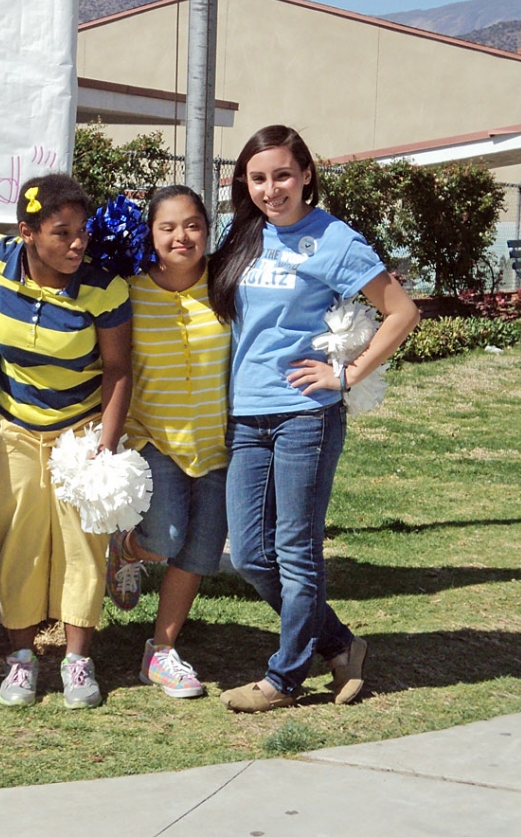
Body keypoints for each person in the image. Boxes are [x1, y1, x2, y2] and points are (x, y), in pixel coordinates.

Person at [208, 124, 419, 712]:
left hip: (306, 413)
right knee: (251, 554)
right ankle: (340, 644)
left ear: (305, 176)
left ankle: (285, 676)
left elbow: (402, 311)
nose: (271, 189)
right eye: (258, 178)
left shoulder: (334, 239)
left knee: (296, 549)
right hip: (246, 413)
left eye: (282, 175)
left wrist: (346, 375)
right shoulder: (241, 235)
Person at [0, 173, 132, 709]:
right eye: (61, 233)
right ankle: (21, 659)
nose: (77, 243)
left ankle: (77, 658)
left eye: (81, 231)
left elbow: (117, 370)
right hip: (13, 428)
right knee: (18, 539)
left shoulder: (104, 289)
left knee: (82, 541)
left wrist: (102, 447)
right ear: (26, 234)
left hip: (79, 431)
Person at [104, 186, 231, 699]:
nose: (182, 236)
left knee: (200, 552)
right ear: (150, 234)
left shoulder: (226, 287)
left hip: (218, 444)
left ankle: (160, 653)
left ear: (207, 229)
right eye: (168, 227)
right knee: (168, 537)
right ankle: (126, 550)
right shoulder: (128, 292)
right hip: (151, 438)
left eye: (193, 225)